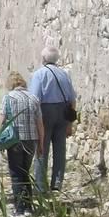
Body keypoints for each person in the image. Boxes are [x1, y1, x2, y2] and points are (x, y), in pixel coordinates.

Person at [29, 45, 77, 193]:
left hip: (45, 111)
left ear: (43, 58)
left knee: (42, 148)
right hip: (63, 110)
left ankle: (40, 185)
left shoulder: (39, 74)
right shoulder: (64, 74)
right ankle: (57, 183)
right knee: (60, 148)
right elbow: (72, 98)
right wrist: (70, 123)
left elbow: (34, 99)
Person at [0, 71, 44, 216]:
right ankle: (29, 208)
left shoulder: (8, 98)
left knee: (16, 174)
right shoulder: (34, 98)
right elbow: (40, 124)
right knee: (25, 173)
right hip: (31, 140)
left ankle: (19, 209)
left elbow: (2, 120)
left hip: (15, 140)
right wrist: (41, 144)